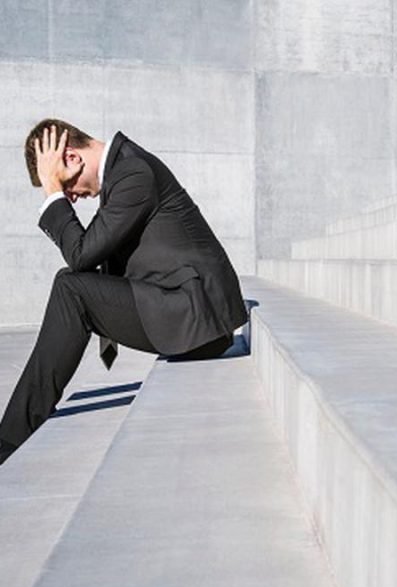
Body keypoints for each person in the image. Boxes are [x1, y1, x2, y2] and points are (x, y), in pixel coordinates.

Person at [0, 120, 248, 465]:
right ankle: (12, 435)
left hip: (198, 319)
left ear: (71, 157)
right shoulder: (123, 171)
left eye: (65, 185)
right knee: (70, 284)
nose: (72, 197)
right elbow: (90, 259)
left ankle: (9, 442)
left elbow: (81, 255)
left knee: (70, 288)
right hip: (185, 308)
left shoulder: (133, 173)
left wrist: (53, 196)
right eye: (64, 193)